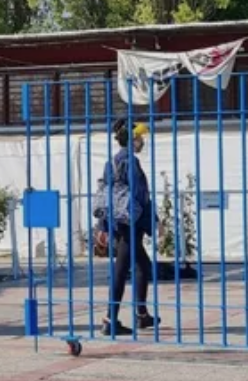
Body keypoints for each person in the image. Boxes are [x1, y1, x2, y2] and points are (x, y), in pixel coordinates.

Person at [97, 117, 159, 336]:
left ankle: (142, 314)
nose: (142, 141)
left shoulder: (111, 162)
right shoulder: (132, 162)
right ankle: (109, 320)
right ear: (132, 140)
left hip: (118, 220)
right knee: (122, 269)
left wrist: (104, 225)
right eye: (140, 138)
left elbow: (106, 195)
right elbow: (142, 196)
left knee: (142, 265)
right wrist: (154, 221)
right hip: (132, 222)